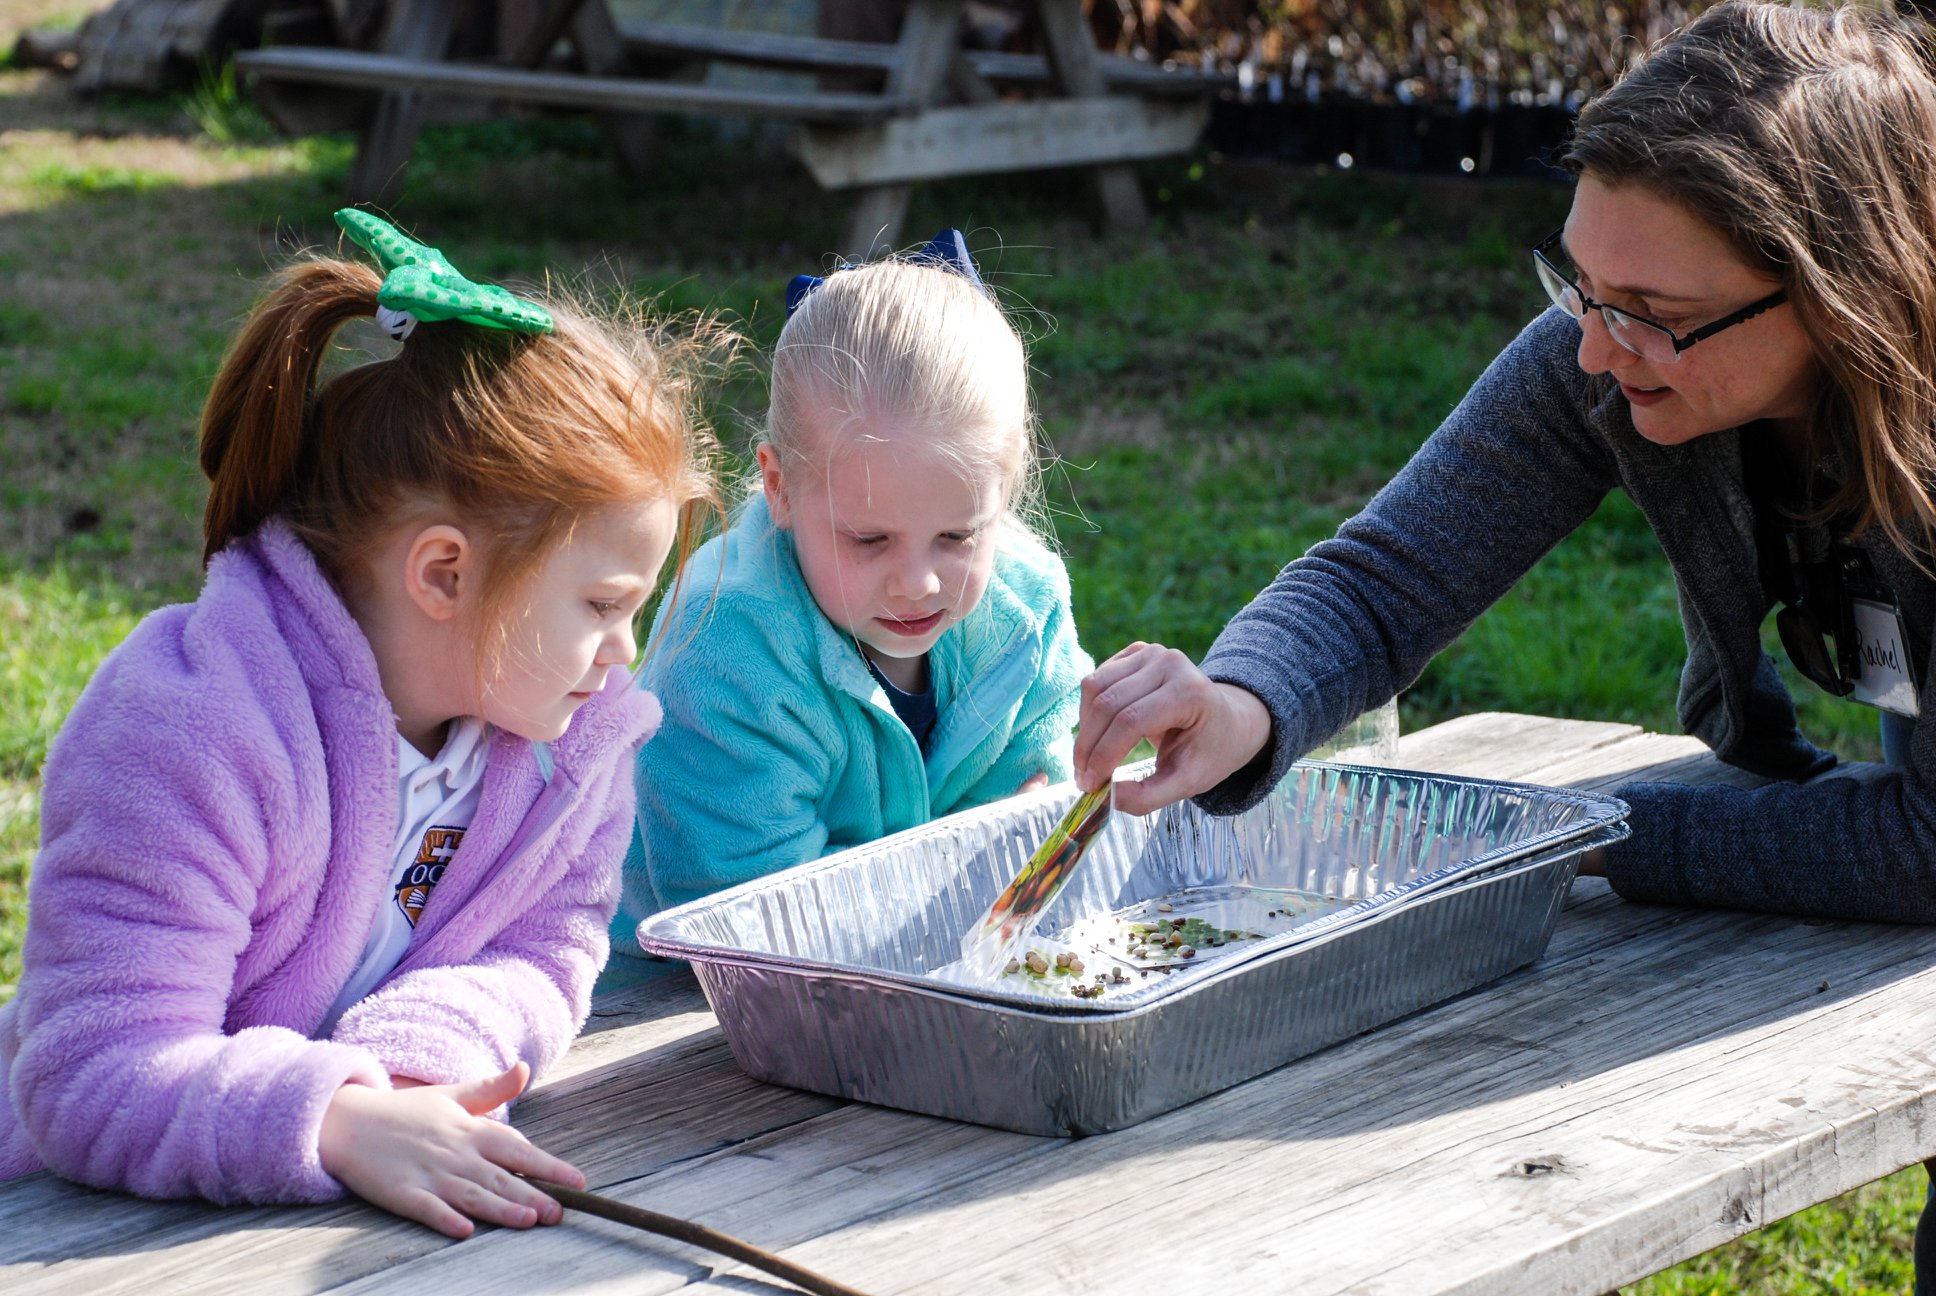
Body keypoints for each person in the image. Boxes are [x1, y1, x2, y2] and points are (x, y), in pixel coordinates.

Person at [1068, 1, 1936, 1281]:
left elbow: (1924, 849)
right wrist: (1243, 702)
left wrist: (1570, 839)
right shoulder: (1616, 350)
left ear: (1835, 297)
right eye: (1578, 282)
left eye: (1645, 308)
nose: (1590, 346)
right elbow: (1385, 577)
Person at [0, 210, 721, 1239]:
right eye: (603, 605)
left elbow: (545, 953)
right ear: (443, 572)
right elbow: (91, 1070)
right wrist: (336, 1119)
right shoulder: (191, 731)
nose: (624, 652)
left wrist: (419, 1063)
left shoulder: (571, 748)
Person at [608, 231, 1093, 957]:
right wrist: (978, 869)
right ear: (778, 487)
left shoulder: (1028, 610)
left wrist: (1024, 846)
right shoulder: (723, 647)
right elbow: (750, 924)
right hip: (670, 1022)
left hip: (938, 981)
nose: (919, 581)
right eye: (869, 541)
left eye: (959, 536)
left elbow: (1055, 833)